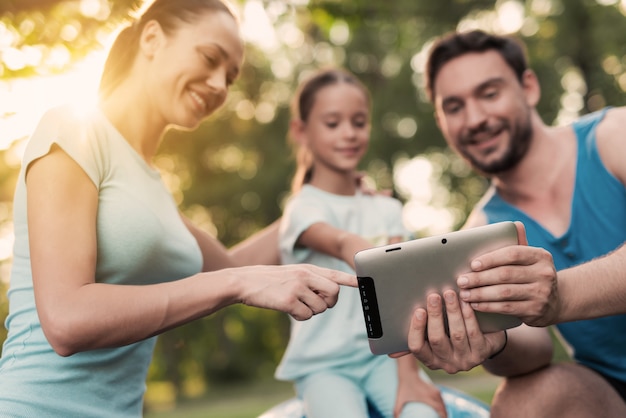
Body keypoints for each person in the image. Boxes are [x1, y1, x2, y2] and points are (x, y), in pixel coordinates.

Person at [0, 1, 357, 416]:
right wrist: (237, 283)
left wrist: (328, 200)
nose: (221, 84)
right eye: (210, 58)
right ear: (151, 37)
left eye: (231, 76)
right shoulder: (72, 129)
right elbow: (65, 319)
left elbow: (232, 267)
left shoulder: (153, 188)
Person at [403, 29, 626, 417]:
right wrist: (494, 342)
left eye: (489, 94)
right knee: (526, 396)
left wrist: (559, 296)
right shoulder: (479, 232)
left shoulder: (614, 136)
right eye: (454, 107)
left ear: (529, 87)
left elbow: (555, 301)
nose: (475, 119)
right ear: (441, 121)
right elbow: (534, 350)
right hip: (614, 397)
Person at [274, 68, 445, 418]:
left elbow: (406, 298)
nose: (349, 133)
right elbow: (338, 242)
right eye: (333, 123)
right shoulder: (302, 208)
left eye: (359, 121)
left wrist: (409, 376)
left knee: (423, 414)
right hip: (324, 366)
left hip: (385, 360)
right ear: (301, 131)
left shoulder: (386, 208)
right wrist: (373, 254)